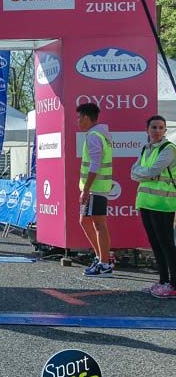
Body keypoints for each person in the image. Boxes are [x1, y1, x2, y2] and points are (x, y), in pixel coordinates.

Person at [131, 114, 175, 296]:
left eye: (160, 127)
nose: (157, 131)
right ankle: (163, 280)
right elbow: (134, 172)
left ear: (165, 130)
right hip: (146, 203)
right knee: (155, 243)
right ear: (147, 130)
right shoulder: (146, 148)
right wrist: (146, 174)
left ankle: (173, 284)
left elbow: (153, 170)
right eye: (154, 127)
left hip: (164, 203)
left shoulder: (169, 149)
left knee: (166, 243)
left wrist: (145, 173)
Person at [76, 103, 114, 276]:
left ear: (86, 117)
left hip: (96, 189)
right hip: (95, 188)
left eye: (79, 117)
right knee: (85, 221)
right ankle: (101, 257)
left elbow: (95, 164)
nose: (77, 121)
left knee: (99, 224)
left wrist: (87, 189)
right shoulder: (99, 133)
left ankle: (104, 264)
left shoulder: (94, 136)